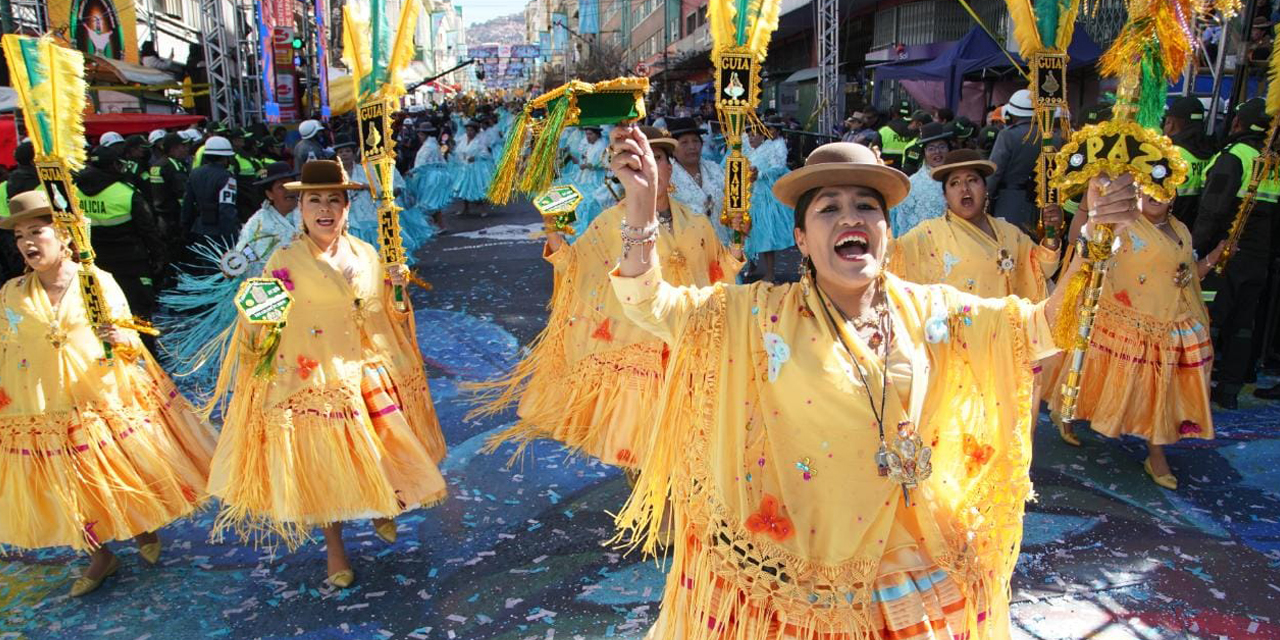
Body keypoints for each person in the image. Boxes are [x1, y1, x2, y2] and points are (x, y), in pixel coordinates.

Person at [604, 127, 1141, 640]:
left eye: (865, 206)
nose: (849, 218)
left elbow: (1041, 329)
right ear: (802, 240)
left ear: (885, 230)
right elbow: (648, 302)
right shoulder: (756, 315)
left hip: (913, 562)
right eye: (828, 208)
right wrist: (642, 207)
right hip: (803, 571)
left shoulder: (932, 308)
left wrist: (1095, 237)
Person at [205, 160, 448, 587]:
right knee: (327, 465)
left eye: (333, 200)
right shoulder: (283, 260)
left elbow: (386, 316)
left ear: (347, 208)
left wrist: (397, 290)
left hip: (367, 370)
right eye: (314, 200)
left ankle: (381, 504)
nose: (324, 209)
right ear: (299, 208)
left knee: (383, 449)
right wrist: (256, 319)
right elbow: (264, 319)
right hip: (312, 378)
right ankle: (336, 548)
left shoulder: (367, 253)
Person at [475, 127, 741, 470]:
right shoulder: (611, 222)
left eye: (657, 159)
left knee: (693, 442)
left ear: (670, 167)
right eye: (637, 161)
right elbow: (577, 268)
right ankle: (651, 506)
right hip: (637, 345)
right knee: (641, 448)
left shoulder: (696, 221)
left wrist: (737, 243)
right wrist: (553, 232)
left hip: (691, 343)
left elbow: (717, 272)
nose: (649, 167)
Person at [0, 190, 216, 596]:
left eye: (37, 231)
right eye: (19, 236)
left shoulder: (96, 283)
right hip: (45, 409)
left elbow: (129, 344)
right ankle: (100, 555)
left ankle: (142, 527)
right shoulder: (11, 293)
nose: (27, 243)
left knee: (117, 475)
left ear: (65, 236)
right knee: (69, 484)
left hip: (101, 399)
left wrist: (120, 338)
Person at [1050, 192, 1223, 488]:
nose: (1157, 195)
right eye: (1150, 187)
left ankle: (1156, 453)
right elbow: (1087, 243)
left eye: (1164, 188)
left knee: (1160, 390)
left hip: (1168, 325)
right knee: (1091, 373)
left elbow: (1185, 275)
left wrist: (1211, 259)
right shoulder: (1123, 224)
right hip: (1122, 320)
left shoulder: (1181, 228)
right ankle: (1063, 412)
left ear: (1174, 195)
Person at [1194, 97, 1278, 409]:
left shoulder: (1235, 156)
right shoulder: (1272, 161)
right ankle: (1228, 390)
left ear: (1237, 123)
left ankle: (1199, 387)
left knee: (1209, 320)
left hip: (1225, 254)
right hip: (1259, 258)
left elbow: (1212, 210)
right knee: (1244, 324)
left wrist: (1194, 249)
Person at [893, 148, 1060, 300]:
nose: (964, 188)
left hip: (1007, 329)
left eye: (972, 180)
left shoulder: (1009, 232)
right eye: (955, 183)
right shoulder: (929, 233)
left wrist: (1052, 233)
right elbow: (891, 257)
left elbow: (1040, 269)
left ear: (985, 188)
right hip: (960, 330)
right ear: (945, 195)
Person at [75, 144, 165, 328]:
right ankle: (145, 354)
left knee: (104, 316)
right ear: (113, 165)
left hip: (95, 263)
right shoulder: (127, 193)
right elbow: (148, 231)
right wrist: (159, 257)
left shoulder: (75, 192)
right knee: (139, 315)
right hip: (131, 265)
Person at [987, 89, 1045, 235]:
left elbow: (994, 172)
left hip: (1009, 201)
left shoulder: (1008, 136)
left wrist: (984, 198)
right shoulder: (1051, 137)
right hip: (1041, 205)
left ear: (1012, 114)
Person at [666, 117, 730, 243]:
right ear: (672, 149)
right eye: (684, 143)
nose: (692, 147)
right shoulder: (666, 176)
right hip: (686, 250)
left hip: (721, 245)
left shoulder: (714, 169)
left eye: (695, 141)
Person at [743, 121, 794, 282]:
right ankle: (752, 265)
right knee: (748, 231)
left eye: (754, 135)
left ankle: (770, 272)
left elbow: (779, 168)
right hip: (751, 194)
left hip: (766, 196)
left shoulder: (771, 148)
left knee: (765, 233)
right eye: (749, 135)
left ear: (762, 135)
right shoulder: (750, 151)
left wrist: (761, 174)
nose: (751, 138)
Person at [887, 122, 955, 237]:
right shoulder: (912, 185)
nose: (937, 152)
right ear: (924, 153)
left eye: (942, 147)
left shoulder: (959, 178)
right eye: (931, 148)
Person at [1164, 96, 1216, 228]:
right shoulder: (1213, 153)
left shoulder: (1169, 153)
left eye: (1167, 122)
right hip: (1195, 227)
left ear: (1171, 124)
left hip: (1168, 227)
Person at [180, 136, 240, 250]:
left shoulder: (195, 173)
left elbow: (187, 204)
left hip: (199, 229)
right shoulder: (227, 177)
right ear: (225, 158)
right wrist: (231, 235)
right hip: (220, 233)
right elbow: (226, 208)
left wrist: (185, 227)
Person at [0, 141, 42, 281]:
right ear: (35, 160)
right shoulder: (45, 186)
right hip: (38, 242)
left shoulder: (4, 186)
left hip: (9, 243)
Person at [148, 133, 192, 255]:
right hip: (175, 219)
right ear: (173, 149)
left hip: (162, 219)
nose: (186, 149)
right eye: (182, 146)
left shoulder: (157, 165)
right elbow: (183, 195)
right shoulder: (174, 166)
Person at [452, 120, 494, 216]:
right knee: (464, 189)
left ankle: (483, 209)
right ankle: (465, 208)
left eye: (471, 130)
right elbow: (458, 150)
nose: (469, 132)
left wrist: (476, 157)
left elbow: (486, 154)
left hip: (475, 168)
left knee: (476, 188)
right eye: (467, 130)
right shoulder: (463, 139)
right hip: (464, 167)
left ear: (475, 131)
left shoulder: (479, 141)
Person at [877, 100, 915, 167]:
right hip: (910, 171)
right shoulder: (917, 130)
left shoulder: (884, 131)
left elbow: (874, 152)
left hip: (888, 170)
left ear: (893, 113)